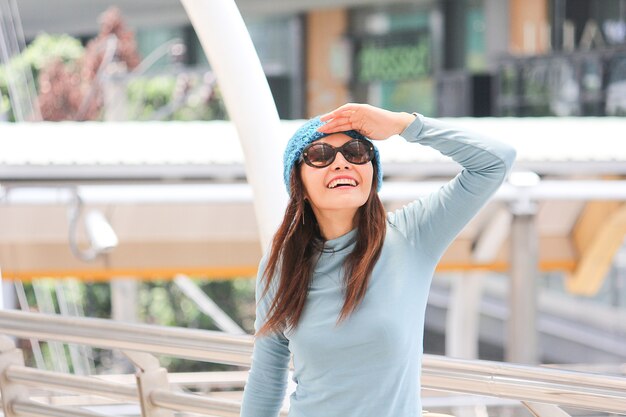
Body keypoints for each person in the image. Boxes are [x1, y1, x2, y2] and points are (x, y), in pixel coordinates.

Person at [240, 103, 517, 417]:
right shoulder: (280, 266)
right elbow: (266, 377)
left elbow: (497, 161)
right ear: (298, 184)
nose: (341, 163)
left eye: (356, 151)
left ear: (372, 173)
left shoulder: (412, 235)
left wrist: (402, 124)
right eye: (320, 155)